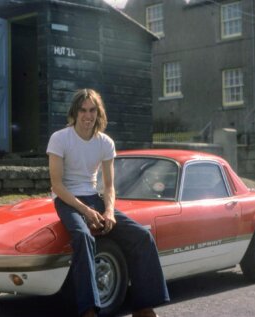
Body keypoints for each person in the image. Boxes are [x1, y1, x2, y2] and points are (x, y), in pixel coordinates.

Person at [47, 88, 169, 317]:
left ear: (98, 113)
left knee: (142, 237)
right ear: (75, 112)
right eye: (83, 110)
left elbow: (109, 186)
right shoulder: (60, 138)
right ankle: (88, 310)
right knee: (83, 236)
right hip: (67, 199)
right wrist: (85, 211)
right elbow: (57, 185)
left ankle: (143, 307)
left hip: (94, 197)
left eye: (92, 110)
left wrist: (110, 211)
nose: (87, 116)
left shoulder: (105, 142)